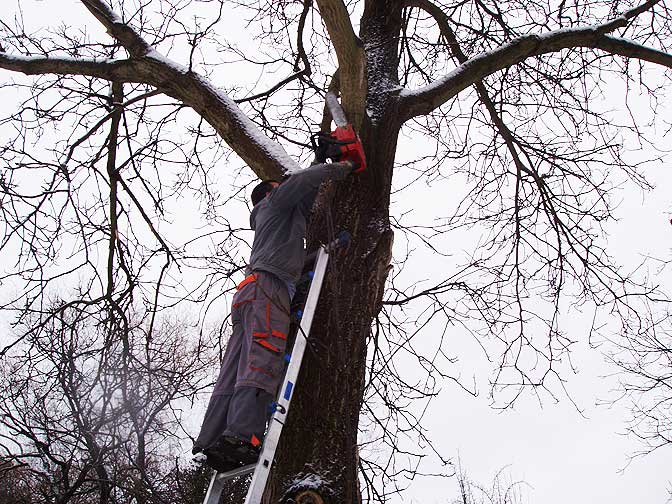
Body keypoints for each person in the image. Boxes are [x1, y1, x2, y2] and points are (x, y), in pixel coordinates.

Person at [193, 157, 360, 472]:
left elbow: (296, 257)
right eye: (278, 188)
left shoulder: (276, 225)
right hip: (267, 288)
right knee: (263, 356)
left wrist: (331, 248)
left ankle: (212, 439)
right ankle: (243, 436)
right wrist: (337, 167)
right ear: (269, 193)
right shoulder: (276, 203)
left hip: (252, 290)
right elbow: (299, 185)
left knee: (235, 367)